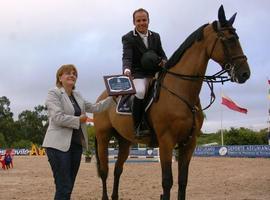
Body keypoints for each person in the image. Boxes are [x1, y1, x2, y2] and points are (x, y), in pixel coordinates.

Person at [42, 64, 114, 200]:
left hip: (75, 146)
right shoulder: (54, 93)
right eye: (68, 73)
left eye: (74, 74)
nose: (72, 75)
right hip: (57, 146)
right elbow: (57, 118)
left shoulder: (78, 95)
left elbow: (96, 107)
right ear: (60, 77)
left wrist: (114, 96)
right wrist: (79, 120)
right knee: (64, 186)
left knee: (68, 187)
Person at [122, 8, 167, 138]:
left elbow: (162, 54)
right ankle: (138, 125)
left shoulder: (156, 36)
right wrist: (127, 70)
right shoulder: (128, 38)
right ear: (134, 22)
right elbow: (127, 57)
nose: (142, 23)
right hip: (138, 73)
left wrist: (164, 62)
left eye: (144, 20)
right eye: (138, 20)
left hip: (156, 71)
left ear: (148, 20)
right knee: (140, 91)